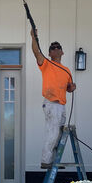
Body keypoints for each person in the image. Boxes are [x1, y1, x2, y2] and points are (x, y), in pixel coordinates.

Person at [30, 29, 76, 169]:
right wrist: (33, 37)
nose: (56, 49)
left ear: (62, 52)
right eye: (53, 48)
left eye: (58, 48)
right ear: (49, 53)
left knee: (59, 134)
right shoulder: (46, 64)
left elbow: (68, 88)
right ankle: (46, 161)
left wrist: (72, 87)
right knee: (53, 132)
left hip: (61, 104)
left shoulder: (67, 70)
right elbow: (36, 52)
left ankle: (54, 161)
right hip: (51, 103)